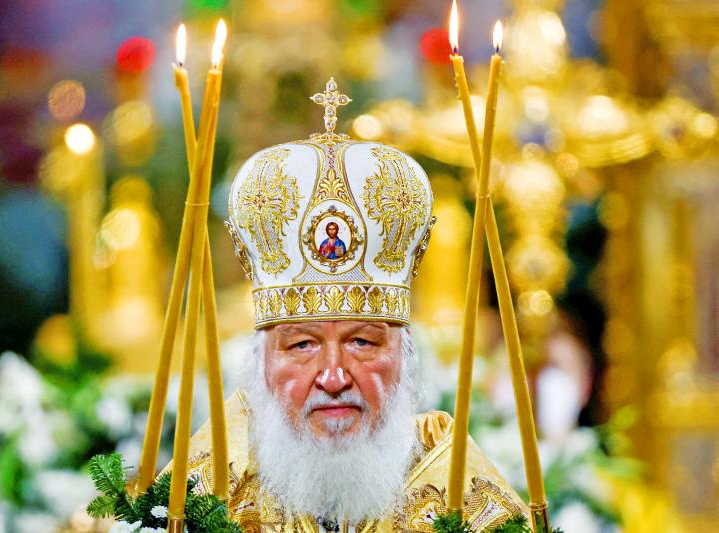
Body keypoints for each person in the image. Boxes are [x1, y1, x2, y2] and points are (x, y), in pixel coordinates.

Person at [180, 86, 526, 532]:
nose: (333, 377)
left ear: (404, 355)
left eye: (362, 342)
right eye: (302, 345)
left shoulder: (468, 504)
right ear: (260, 362)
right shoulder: (201, 503)